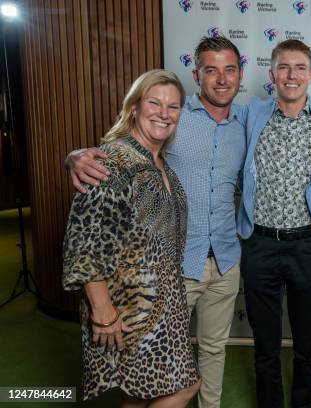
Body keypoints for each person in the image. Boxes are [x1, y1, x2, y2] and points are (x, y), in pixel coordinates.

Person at [65, 37, 247, 408]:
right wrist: (74, 156)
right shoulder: (149, 140)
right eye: (211, 70)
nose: (221, 79)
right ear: (197, 74)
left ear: (240, 75)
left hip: (224, 259)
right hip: (166, 276)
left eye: (230, 70)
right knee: (157, 384)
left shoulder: (244, 123)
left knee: (206, 355)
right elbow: (86, 236)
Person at [62, 69, 201, 407]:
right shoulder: (111, 161)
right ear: (134, 108)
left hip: (161, 306)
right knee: (182, 387)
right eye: (154, 103)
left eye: (173, 106)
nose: (164, 113)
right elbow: (85, 243)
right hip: (129, 308)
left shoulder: (157, 161)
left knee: (138, 396)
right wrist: (103, 311)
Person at [237, 39, 311, 408]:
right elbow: (197, 112)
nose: (291, 75)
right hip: (260, 244)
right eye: (283, 67)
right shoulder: (252, 114)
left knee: (307, 345)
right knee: (265, 346)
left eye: (299, 68)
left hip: (309, 245)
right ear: (271, 74)